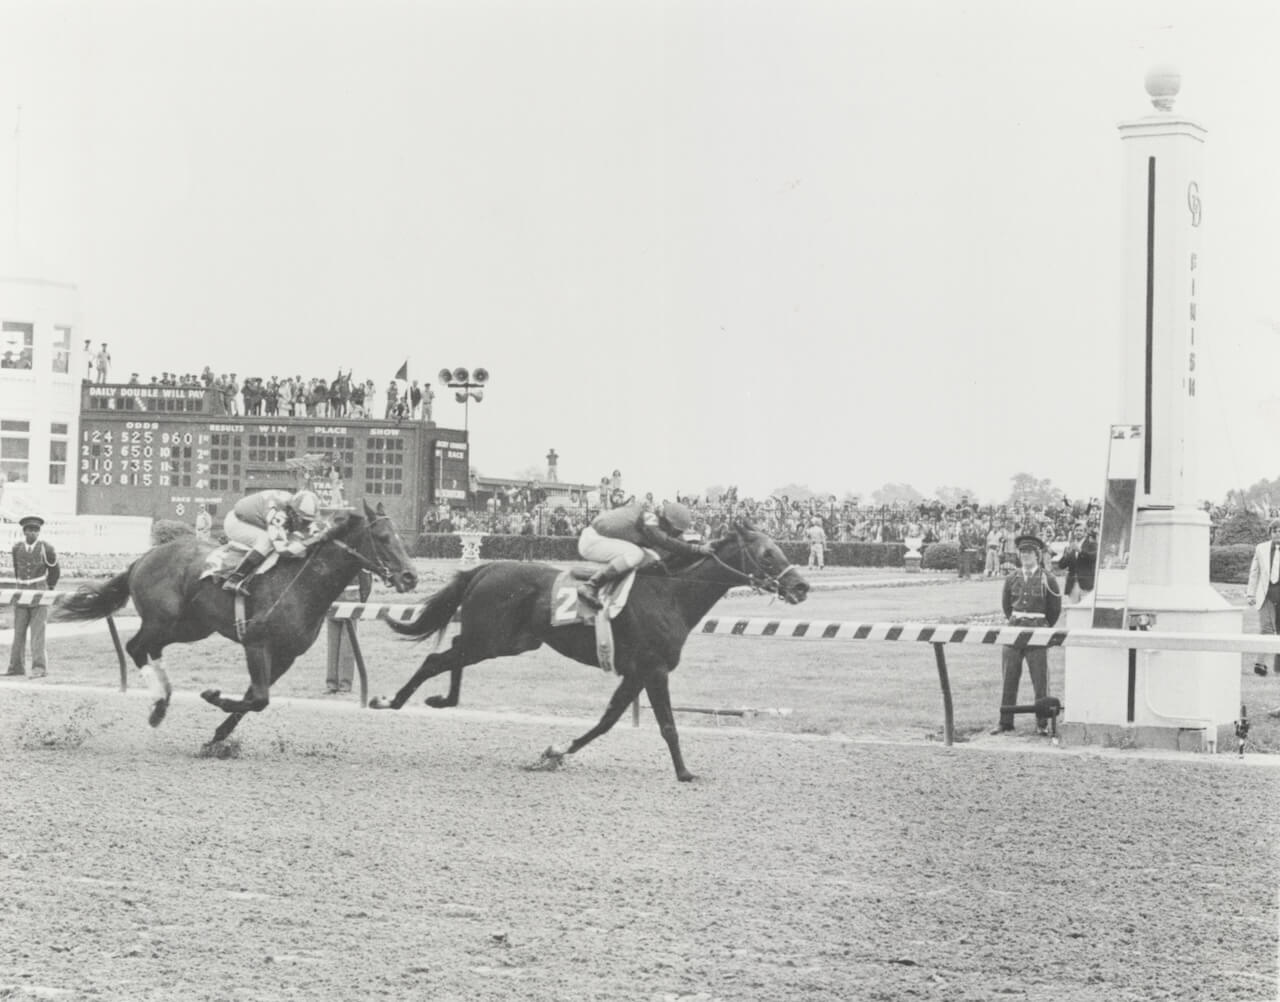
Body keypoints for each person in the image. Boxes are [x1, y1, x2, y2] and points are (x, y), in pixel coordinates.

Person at [575, 499, 714, 610]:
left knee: (653, 559)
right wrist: (697, 549)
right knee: (635, 555)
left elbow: (675, 543)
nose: (677, 535)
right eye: (677, 531)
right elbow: (664, 541)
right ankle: (591, 585)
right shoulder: (649, 518)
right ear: (668, 522)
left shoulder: (655, 518)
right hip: (594, 540)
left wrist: (700, 548)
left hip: (604, 537)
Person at [993, 534, 1062, 735]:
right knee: (1009, 677)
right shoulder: (1012, 577)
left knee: (1040, 679)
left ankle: (1042, 723)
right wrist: (1016, 622)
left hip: (1037, 631)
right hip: (1014, 630)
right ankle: (1005, 721)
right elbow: (1007, 606)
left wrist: (1042, 627)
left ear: (1038, 555)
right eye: (1022, 553)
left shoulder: (1047, 579)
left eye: (1029, 553)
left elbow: (1054, 610)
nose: (1026, 556)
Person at [220, 489, 322, 594]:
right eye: (304, 521)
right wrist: (309, 542)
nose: (306, 525)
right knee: (266, 541)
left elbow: (314, 532)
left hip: (256, 518)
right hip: (237, 522)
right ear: (293, 513)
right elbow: (283, 550)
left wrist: (317, 535)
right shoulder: (279, 514)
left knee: (293, 538)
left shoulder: (294, 505)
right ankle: (233, 579)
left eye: (309, 521)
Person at [6, 516, 60, 678]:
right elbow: (17, 569)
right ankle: (16, 667)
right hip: (22, 592)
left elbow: (55, 571)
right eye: (29, 530)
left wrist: (49, 588)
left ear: (39, 532)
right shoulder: (17, 548)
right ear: (24, 532)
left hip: (39, 592)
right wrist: (19, 587)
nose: (32, 533)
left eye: (36, 530)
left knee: (38, 633)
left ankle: (39, 667)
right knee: (19, 632)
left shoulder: (46, 548)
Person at [1246, 520, 1280, 677]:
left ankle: (1278, 668)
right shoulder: (1261, 548)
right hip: (1265, 596)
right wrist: (1250, 593)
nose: (1277, 533)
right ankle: (1260, 666)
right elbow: (1254, 572)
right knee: (1266, 629)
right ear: (1270, 533)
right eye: (1274, 531)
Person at [1055, 524, 1098, 603]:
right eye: (1077, 530)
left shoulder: (1091, 545)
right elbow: (1061, 565)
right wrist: (1066, 555)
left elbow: (1094, 558)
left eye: (1081, 530)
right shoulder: (1070, 546)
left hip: (1086, 584)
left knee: (1085, 608)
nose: (1078, 532)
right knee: (1073, 609)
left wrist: (1080, 551)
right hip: (1072, 584)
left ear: (1085, 533)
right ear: (1074, 532)